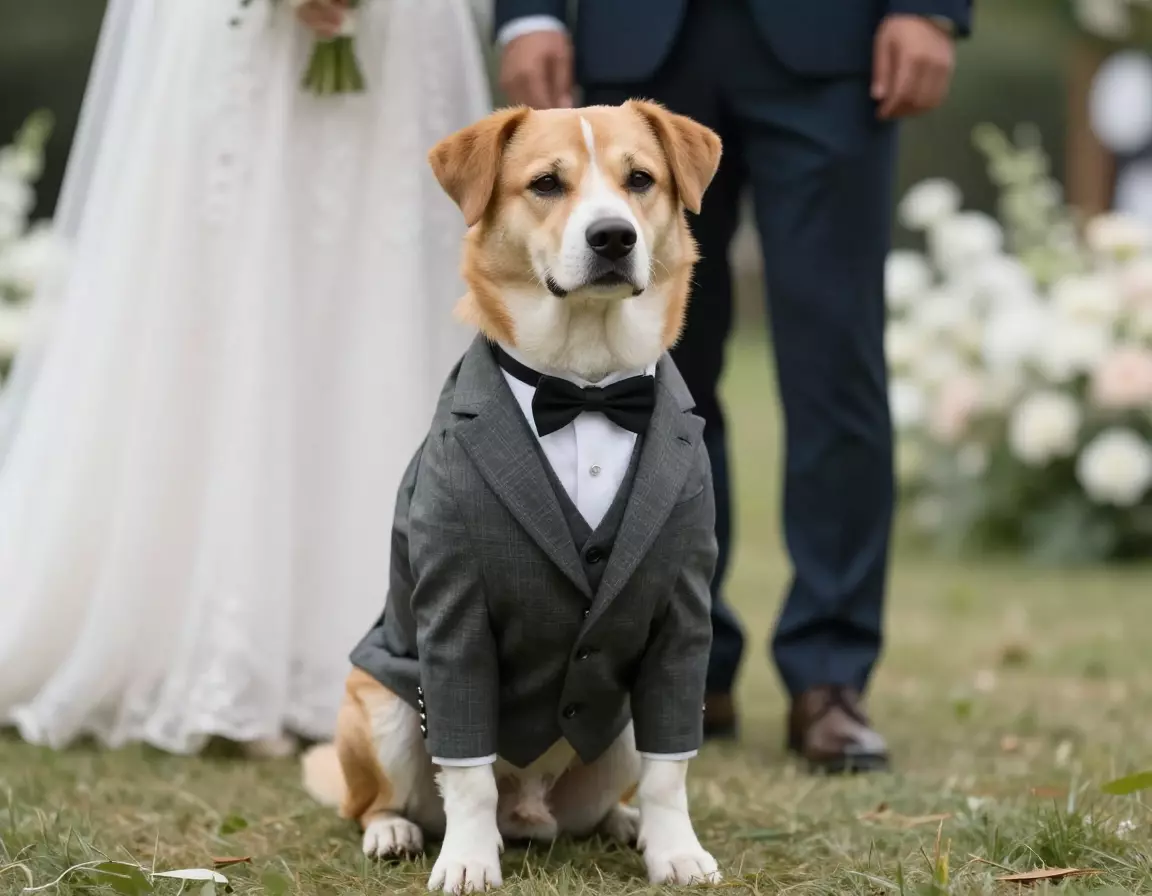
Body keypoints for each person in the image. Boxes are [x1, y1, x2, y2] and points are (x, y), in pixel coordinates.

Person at [0, 0, 489, 754]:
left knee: (383, 289)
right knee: (217, 288)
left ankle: (389, 641)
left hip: (402, 39)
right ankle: (205, 633)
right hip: (230, 39)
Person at [494, 0, 969, 772]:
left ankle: (830, 676)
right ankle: (688, 663)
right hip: (635, 42)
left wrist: (929, 8)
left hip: (838, 46)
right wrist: (530, 16)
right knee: (649, 376)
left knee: (836, 369)